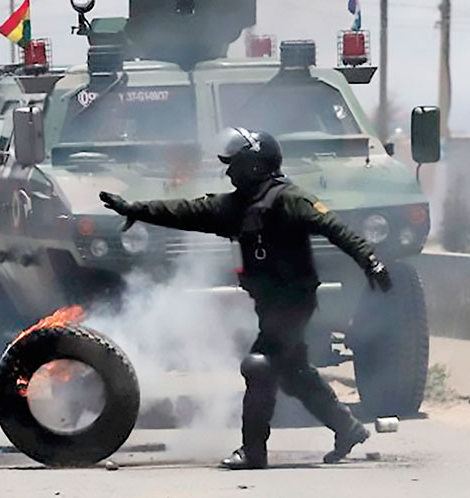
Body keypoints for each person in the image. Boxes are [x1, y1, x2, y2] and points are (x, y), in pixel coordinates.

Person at [98, 127, 391, 470]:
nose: (228, 172)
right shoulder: (238, 206)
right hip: (270, 304)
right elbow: (187, 211)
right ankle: (347, 427)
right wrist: (136, 209)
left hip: (294, 301)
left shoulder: (290, 198)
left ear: (254, 166)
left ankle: (253, 451)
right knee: (293, 372)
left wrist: (369, 261)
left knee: (259, 365)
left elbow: (335, 227)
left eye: (234, 164)